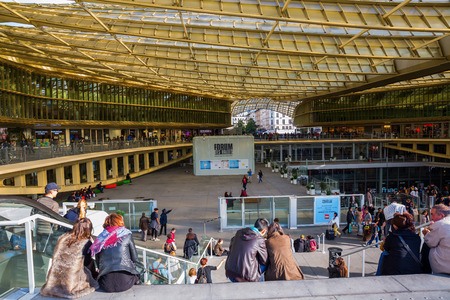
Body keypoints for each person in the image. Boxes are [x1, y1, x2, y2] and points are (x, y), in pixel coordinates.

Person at [40, 218, 98, 298]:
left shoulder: (63, 238)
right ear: (88, 229)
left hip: (54, 280)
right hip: (71, 282)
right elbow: (87, 263)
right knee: (89, 264)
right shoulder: (86, 242)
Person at [90, 213, 140, 293]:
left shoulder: (100, 238)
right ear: (120, 222)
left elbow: (98, 262)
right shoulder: (126, 235)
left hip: (105, 284)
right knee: (136, 274)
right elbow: (135, 258)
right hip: (125, 282)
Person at [225, 218, 269, 282]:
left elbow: (231, 247)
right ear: (264, 231)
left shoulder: (239, 232)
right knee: (265, 265)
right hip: (245, 277)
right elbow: (264, 261)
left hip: (231, 273)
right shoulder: (259, 239)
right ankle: (259, 285)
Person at [422, 204, 450, 274]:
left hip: (444, 268)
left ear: (442, 216)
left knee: (425, 246)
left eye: (432, 215)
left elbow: (430, 242)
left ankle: (424, 272)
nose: (431, 218)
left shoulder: (441, 224)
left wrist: (426, 234)